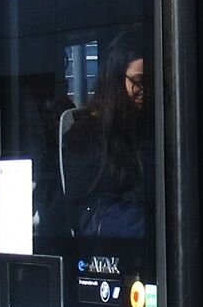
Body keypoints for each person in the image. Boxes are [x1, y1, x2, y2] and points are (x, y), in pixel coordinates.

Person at [62, 33, 151, 240]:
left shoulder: (154, 124)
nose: (146, 91)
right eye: (139, 82)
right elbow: (83, 206)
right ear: (116, 80)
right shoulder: (87, 132)